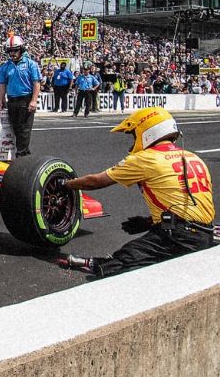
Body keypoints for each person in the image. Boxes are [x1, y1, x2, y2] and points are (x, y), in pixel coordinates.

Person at [58, 108, 215, 277]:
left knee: (115, 268)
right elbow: (190, 203)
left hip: (179, 236)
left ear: (147, 132)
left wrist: (65, 184)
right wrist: (149, 222)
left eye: (134, 134)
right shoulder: (193, 157)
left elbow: (96, 181)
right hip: (205, 233)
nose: (134, 140)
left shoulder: (146, 158)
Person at [0, 35, 41, 157]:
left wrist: (34, 101)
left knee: (24, 130)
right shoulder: (5, 66)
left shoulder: (31, 64)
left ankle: (21, 156)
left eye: (15, 50)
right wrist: (0, 100)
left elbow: (36, 83)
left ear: (22, 49)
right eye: (9, 51)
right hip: (12, 101)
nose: (12, 53)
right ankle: (25, 155)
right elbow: (2, 84)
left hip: (26, 100)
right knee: (15, 129)